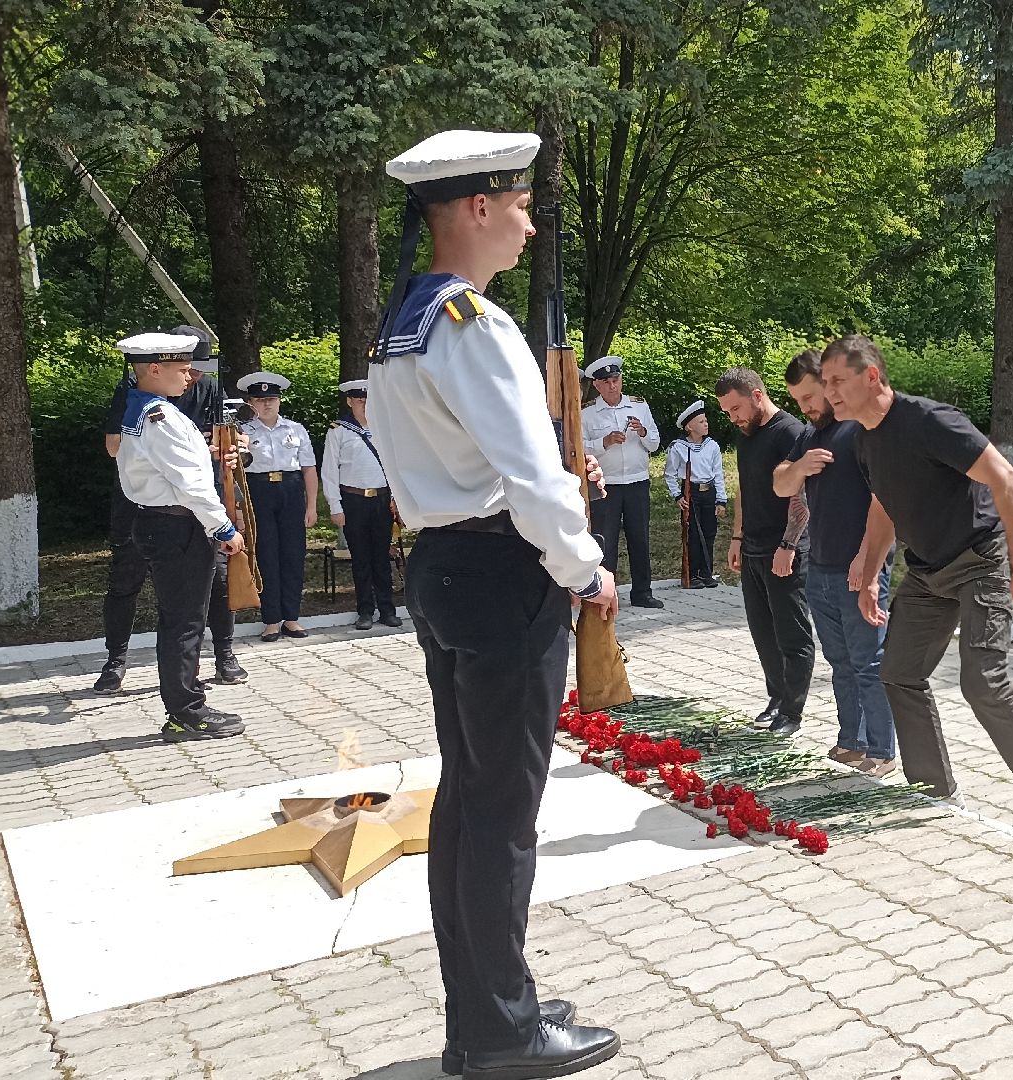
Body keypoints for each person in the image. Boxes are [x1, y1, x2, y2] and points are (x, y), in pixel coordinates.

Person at [370, 129, 620, 1078]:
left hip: (445, 565)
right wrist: (584, 568)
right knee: (503, 812)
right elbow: (532, 474)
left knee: (470, 803)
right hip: (503, 570)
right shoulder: (473, 323)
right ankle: (502, 1033)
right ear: (476, 207)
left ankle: (483, 1010)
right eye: (518, 205)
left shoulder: (405, 321)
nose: (527, 224)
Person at [821, 335, 1013, 838]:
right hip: (927, 571)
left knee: (982, 680)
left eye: (837, 381)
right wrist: (869, 570)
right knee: (898, 673)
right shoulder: (864, 439)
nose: (829, 392)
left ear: (871, 376)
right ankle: (936, 792)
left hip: (980, 560)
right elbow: (883, 505)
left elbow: (1006, 479)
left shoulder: (929, 421)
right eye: (825, 382)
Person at [112, 332, 248, 741]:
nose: (190, 376)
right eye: (183, 368)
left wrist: (209, 454)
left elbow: (171, 466)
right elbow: (192, 485)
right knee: (185, 624)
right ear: (155, 369)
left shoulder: (145, 408)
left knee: (179, 620)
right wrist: (223, 527)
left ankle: (185, 704)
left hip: (162, 522)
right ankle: (186, 713)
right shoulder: (161, 417)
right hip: (178, 526)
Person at [773, 349, 898, 776]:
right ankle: (852, 741)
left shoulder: (861, 430)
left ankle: (882, 750)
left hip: (860, 567)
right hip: (821, 567)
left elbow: (885, 499)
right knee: (841, 662)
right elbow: (780, 484)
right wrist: (800, 468)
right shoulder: (810, 436)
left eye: (810, 396)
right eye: (797, 400)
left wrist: (866, 559)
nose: (804, 407)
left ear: (829, 384)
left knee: (869, 662)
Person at [716, 366, 816, 736]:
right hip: (753, 548)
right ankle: (776, 697)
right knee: (763, 633)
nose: (733, 417)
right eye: (727, 411)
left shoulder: (790, 432)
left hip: (785, 549)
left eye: (736, 408)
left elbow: (801, 494)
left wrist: (788, 545)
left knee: (791, 634)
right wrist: (737, 537)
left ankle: (792, 711)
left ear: (757, 396)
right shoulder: (747, 434)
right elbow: (744, 487)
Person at [238, 371, 317, 640]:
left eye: (271, 399)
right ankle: (271, 620)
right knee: (266, 555)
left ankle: (291, 618)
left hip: (291, 491)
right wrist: (239, 510)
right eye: (260, 400)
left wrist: (311, 506)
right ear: (250, 403)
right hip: (259, 491)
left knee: (293, 554)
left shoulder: (295, 429)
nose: (267, 404)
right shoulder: (243, 432)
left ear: (279, 400)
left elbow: (309, 469)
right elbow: (237, 474)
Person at [581, 356, 662, 608]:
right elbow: (579, 448)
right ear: (596, 385)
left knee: (640, 539)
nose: (612, 386)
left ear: (621, 380)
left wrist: (643, 432)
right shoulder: (587, 413)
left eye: (615, 380)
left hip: (637, 482)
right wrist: (604, 442)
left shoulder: (639, 406)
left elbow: (655, 443)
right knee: (607, 541)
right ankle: (607, 594)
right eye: (606, 382)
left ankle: (642, 592)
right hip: (607, 485)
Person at [320, 379, 400, 630]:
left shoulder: (385, 428)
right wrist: (335, 506)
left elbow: (395, 466)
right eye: (359, 401)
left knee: (382, 557)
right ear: (349, 402)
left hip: (382, 499)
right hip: (353, 500)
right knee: (361, 559)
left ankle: (387, 609)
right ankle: (365, 610)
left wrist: (397, 499)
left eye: (368, 401)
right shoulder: (338, 431)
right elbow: (329, 471)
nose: (364, 406)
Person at [664, 401, 726, 587]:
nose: (706, 424)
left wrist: (721, 499)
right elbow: (670, 474)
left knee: (709, 533)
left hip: (709, 492)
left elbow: (718, 474)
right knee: (693, 534)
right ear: (689, 427)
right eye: (701, 422)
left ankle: (706, 573)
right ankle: (692, 574)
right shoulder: (678, 447)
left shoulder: (712, 446)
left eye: (706, 421)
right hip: (691, 492)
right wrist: (677, 495)